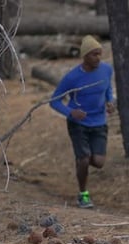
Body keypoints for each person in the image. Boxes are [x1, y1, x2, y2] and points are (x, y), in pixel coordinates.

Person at [50, 35, 115, 208]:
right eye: (94, 54)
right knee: (84, 159)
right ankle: (83, 194)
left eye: (100, 54)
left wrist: (110, 101)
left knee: (98, 162)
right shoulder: (72, 77)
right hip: (78, 124)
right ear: (85, 56)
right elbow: (54, 100)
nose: (98, 58)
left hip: (99, 122)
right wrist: (71, 112)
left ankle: (82, 163)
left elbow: (108, 88)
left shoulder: (106, 70)